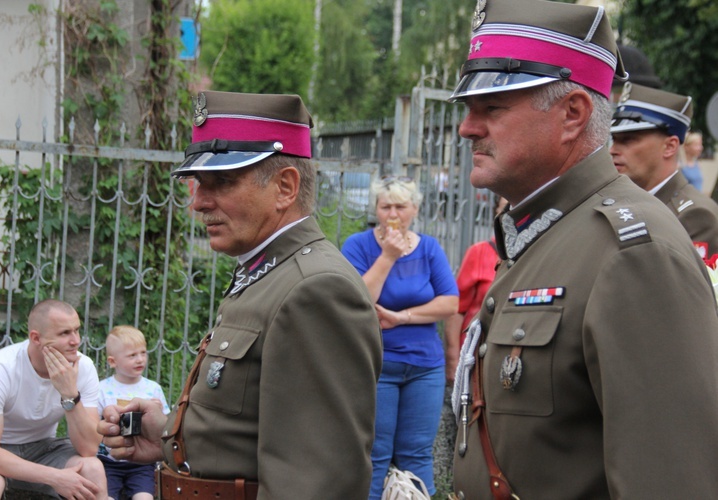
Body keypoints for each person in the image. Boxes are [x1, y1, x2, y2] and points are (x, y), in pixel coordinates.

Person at [447, 0, 718, 498]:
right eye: (468, 109)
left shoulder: (634, 253)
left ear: (573, 114)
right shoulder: (545, 228)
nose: (468, 127)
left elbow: (669, 481)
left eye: (492, 108)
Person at [97, 91, 382, 499]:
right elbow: (246, 429)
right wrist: (167, 433)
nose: (197, 202)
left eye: (222, 182)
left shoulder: (315, 288)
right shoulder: (269, 272)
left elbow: (315, 482)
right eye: (197, 184)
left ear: (285, 187)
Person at [341, 176, 458, 499]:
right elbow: (359, 300)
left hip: (424, 367)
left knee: (417, 454)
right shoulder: (358, 246)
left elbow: (449, 303)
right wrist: (388, 256)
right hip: (378, 364)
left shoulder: (429, 248)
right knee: (375, 453)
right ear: (376, 210)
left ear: (415, 209)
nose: (393, 213)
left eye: (401, 206)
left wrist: (401, 317)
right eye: (386, 206)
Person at [0, 299, 106, 499]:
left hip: (43, 447)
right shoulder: (0, 368)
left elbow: (88, 448)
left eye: (76, 330)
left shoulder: (83, 367)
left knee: (92, 468)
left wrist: (70, 394)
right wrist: (55, 477)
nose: (76, 340)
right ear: (36, 338)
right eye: (64, 333)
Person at [610, 83, 718, 259]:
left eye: (627, 140)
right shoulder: (619, 202)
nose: (613, 150)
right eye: (614, 139)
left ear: (669, 146)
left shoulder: (695, 215)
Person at [97, 326, 170, 500]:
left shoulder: (153, 388)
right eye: (132, 355)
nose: (140, 360)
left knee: (144, 497)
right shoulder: (102, 389)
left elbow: (167, 424)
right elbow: (94, 425)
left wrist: (159, 411)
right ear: (113, 362)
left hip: (143, 463)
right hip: (108, 461)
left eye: (143, 353)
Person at [444, 196, 507, 384]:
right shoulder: (479, 252)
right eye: (506, 206)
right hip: (477, 355)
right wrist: (453, 358)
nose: (513, 209)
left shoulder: (538, 252)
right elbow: (457, 309)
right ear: (496, 211)